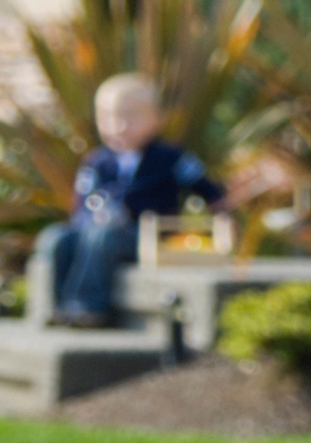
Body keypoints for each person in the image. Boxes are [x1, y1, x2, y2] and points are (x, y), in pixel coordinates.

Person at [48, 73, 218, 326]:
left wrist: (223, 216)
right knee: (57, 238)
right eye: (108, 117)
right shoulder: (96, 162)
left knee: (104, 234)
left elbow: (210, 192)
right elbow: (81, 207)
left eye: (131, 117)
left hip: (145, 233)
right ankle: (63, 307)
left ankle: (89, 308)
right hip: (97, 231)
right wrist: (91, 221)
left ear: (157, 119)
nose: (119, 126)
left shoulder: (171, 159)